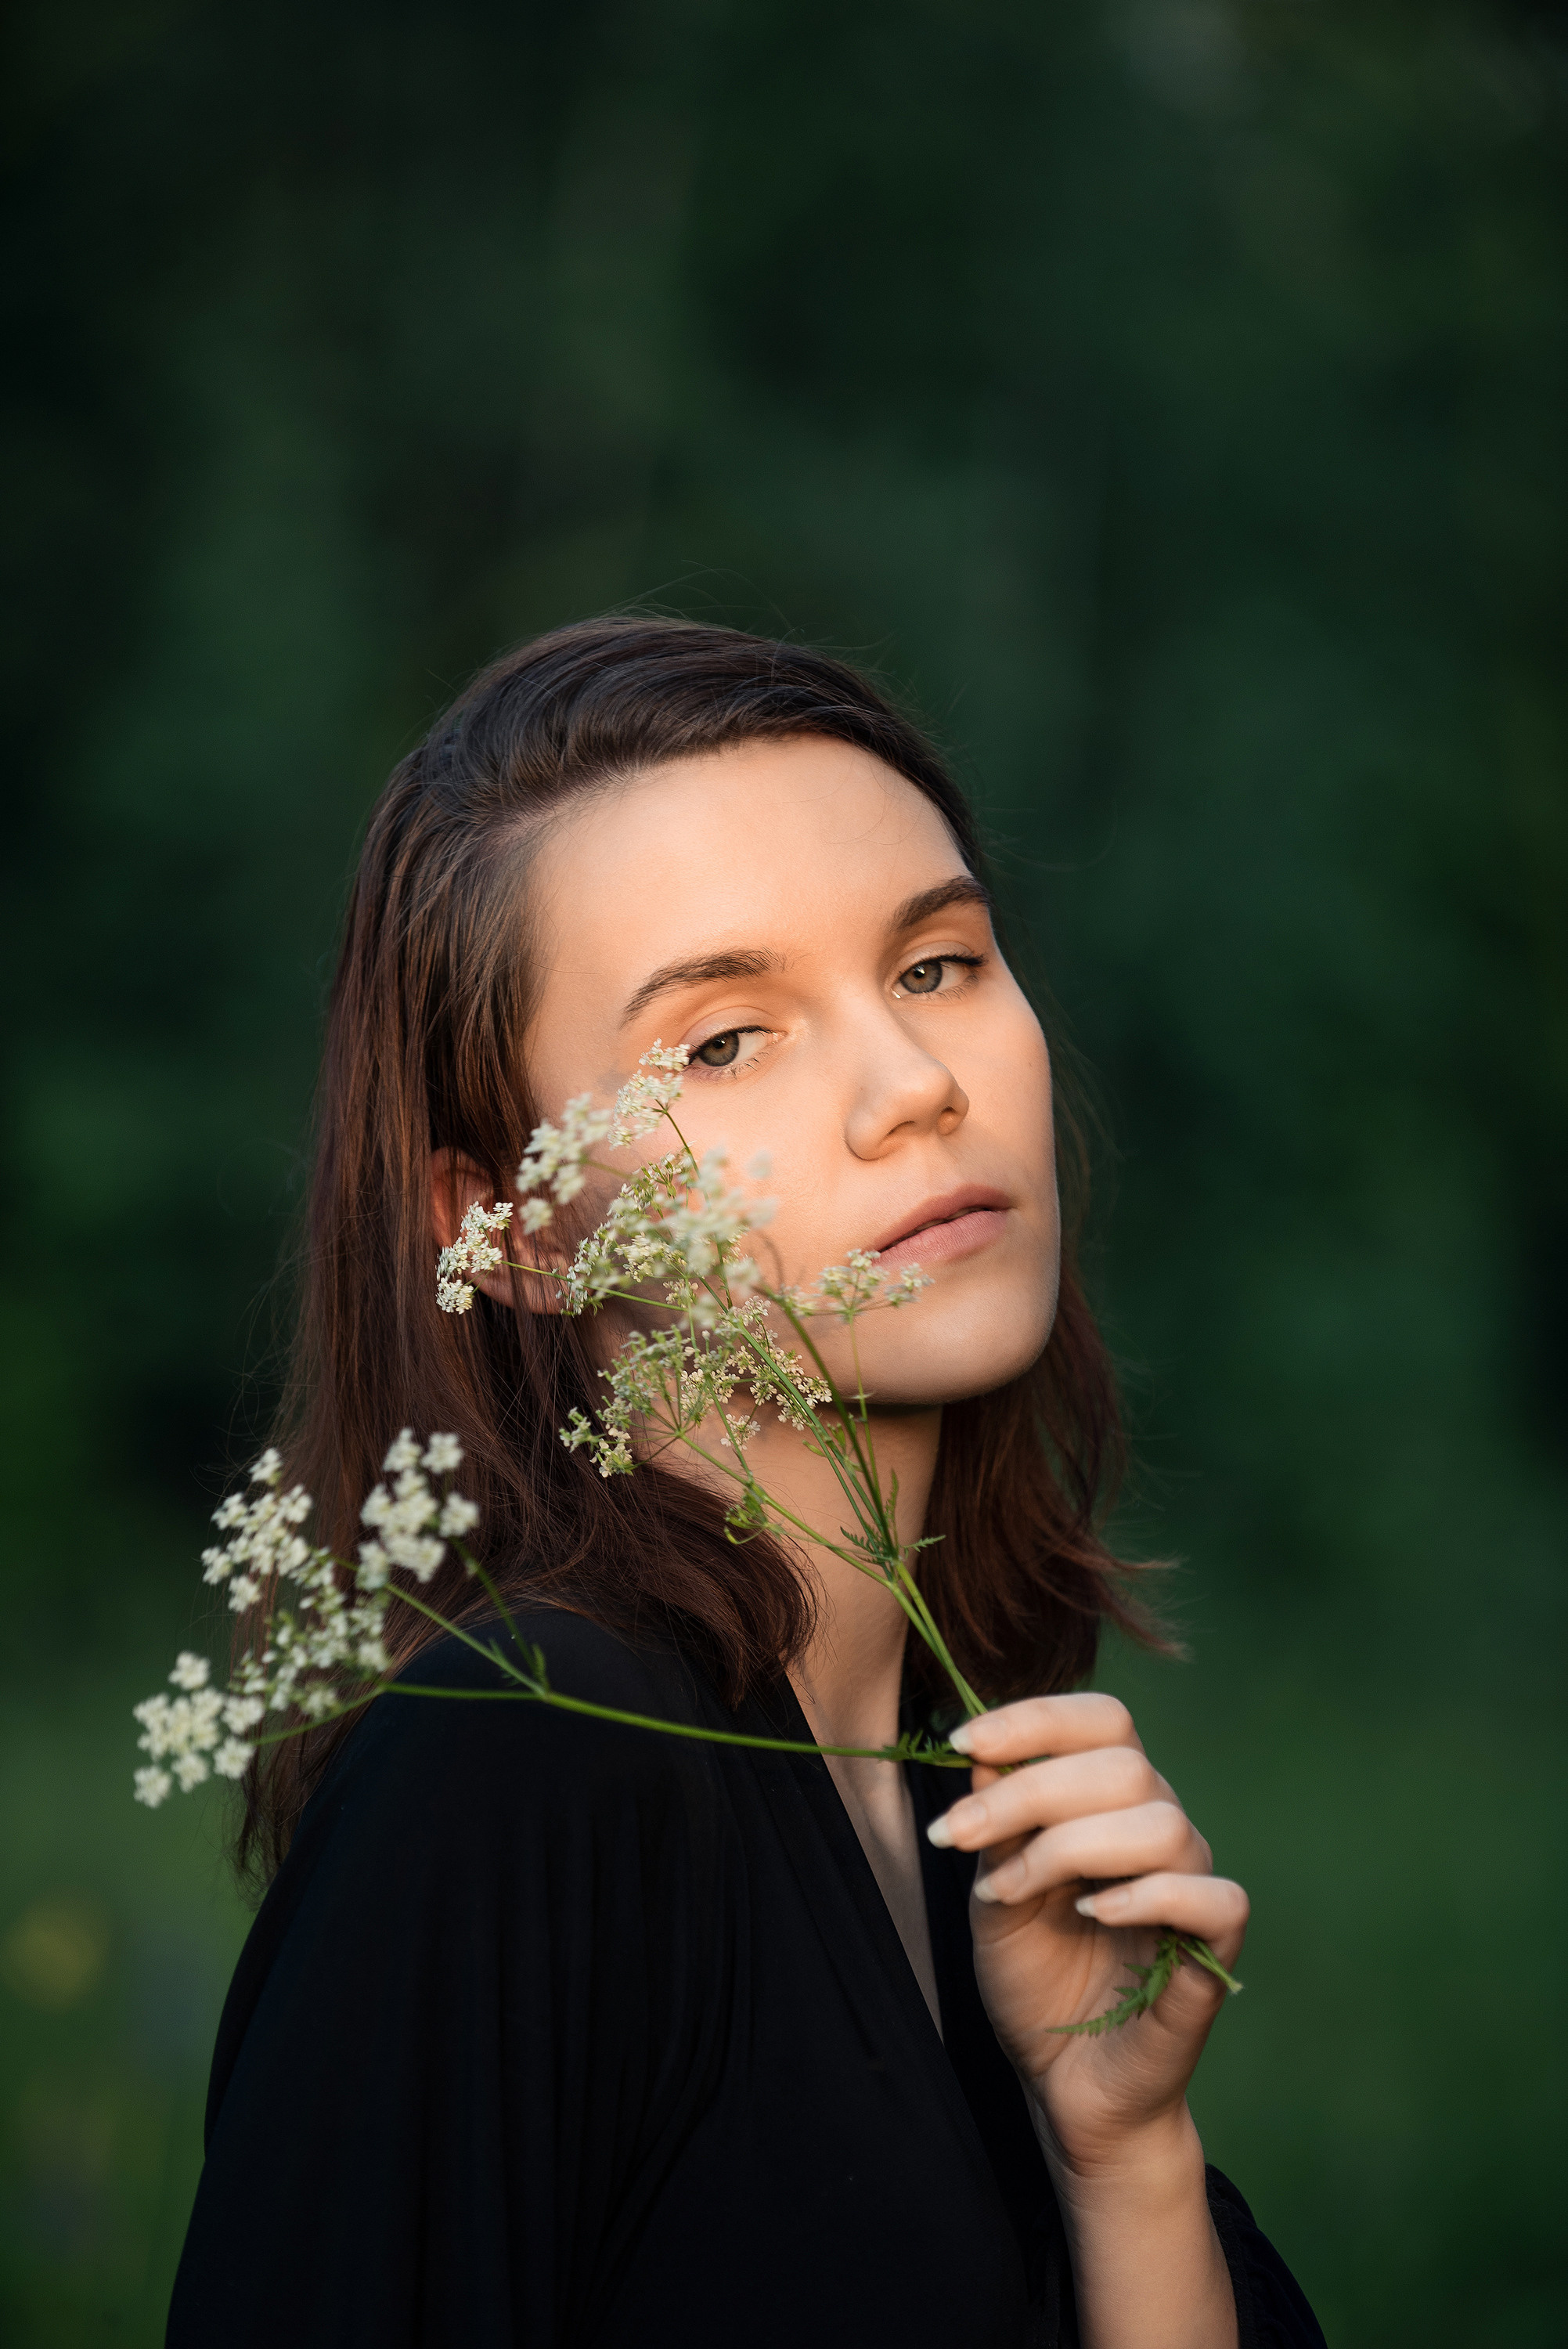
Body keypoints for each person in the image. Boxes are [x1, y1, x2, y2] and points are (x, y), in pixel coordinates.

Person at [167, 619, 1325, 2348]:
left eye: (938, 965)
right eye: (723, 1042)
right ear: (508, 1230)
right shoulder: (525, 1759)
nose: (916, 1089)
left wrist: (1126, 2160)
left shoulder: (968, 1790)